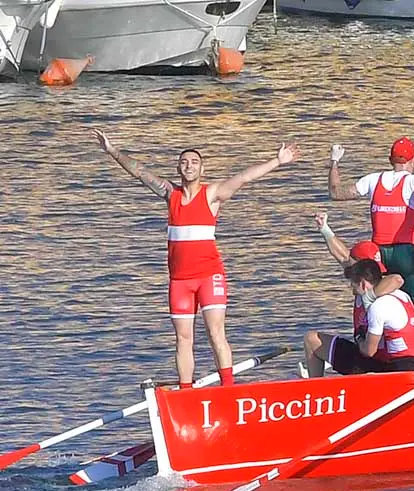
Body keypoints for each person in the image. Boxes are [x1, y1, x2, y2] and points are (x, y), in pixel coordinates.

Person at [91, 129, 300, 387]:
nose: (189, 166)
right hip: (180, 282)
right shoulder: (171, 194)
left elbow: (244, 177)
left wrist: (277, 161)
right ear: (178, 168)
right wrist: (112, 151)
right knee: (183, 338)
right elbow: (139, 172)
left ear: (202, 170)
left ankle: (228, 388)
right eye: (184, 162)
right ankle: (186, 390)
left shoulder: (211, 195)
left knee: (215, 333)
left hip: (209, 277)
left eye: (194, 162)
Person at [327, 136, 414, 339]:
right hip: (406, 255)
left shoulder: (373, 180)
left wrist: (334, 162)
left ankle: (378, 348)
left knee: (378, 305)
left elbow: (335, 193)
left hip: (377, 255)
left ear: (389, 159)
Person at [302, 212, 406, 378]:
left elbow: (397, 279)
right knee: (312, 339)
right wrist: (325, 230)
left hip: (382, 362)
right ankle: (316, 390)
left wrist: (369, 297)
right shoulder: (363, 276)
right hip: (365, 351)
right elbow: (343, 255)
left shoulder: (381, 286)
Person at [324, 259, 414, 374]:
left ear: (363, 284)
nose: (354, 292)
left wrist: (359, 338)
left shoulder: (377, 306)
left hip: (401, 368)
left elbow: (369, 352)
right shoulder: (402, 295)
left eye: (354, 287)